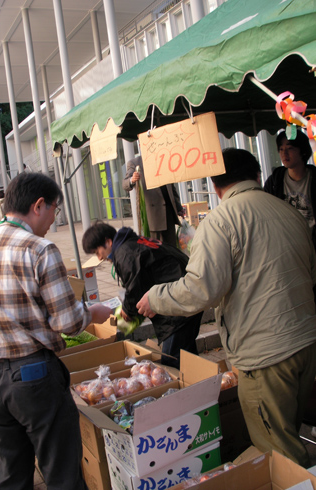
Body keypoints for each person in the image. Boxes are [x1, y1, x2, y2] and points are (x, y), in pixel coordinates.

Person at [137, 148, 316, 468]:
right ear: (257, 175)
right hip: (307, 343)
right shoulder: (289, 211)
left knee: (280, 448)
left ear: (215, 183)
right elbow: (311, 271)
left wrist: (156, 297)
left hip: (266, 355)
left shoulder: (221, 221)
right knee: (289, 425)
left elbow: (199, 290)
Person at [0, 172, 111, 489]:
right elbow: (67, 322)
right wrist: (93, 313)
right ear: (39, 205)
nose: (53, 220)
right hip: (32, 379)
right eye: (55, 210)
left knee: (12, 475)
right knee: (61, 472)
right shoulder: (40, 249)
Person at [82, 221, 203, 369]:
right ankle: (205, 383)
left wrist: (127, 310)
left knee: (172, 360)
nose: (99, 258)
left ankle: (195, 387)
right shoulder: (132, 243)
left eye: (97, 251)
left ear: (108, 242)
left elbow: (135, 287)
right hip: (184, 296)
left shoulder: (125, 254)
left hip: (178, 305)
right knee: (186, 356)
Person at [264, 129, 316, 248]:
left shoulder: (313, 178)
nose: (284, 154)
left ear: (302, 151)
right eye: (281, 149)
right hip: (285, 245)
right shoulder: (274, 182)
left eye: (290, 148)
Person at [123, 155, 184, 247]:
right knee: (156, 249)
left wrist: (178, 207)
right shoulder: (135, 163)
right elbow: (125, 184)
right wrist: (132, 180)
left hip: (169, 214)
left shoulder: (164, 159)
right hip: (153, 217)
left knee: (172, 249)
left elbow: (171, 188)